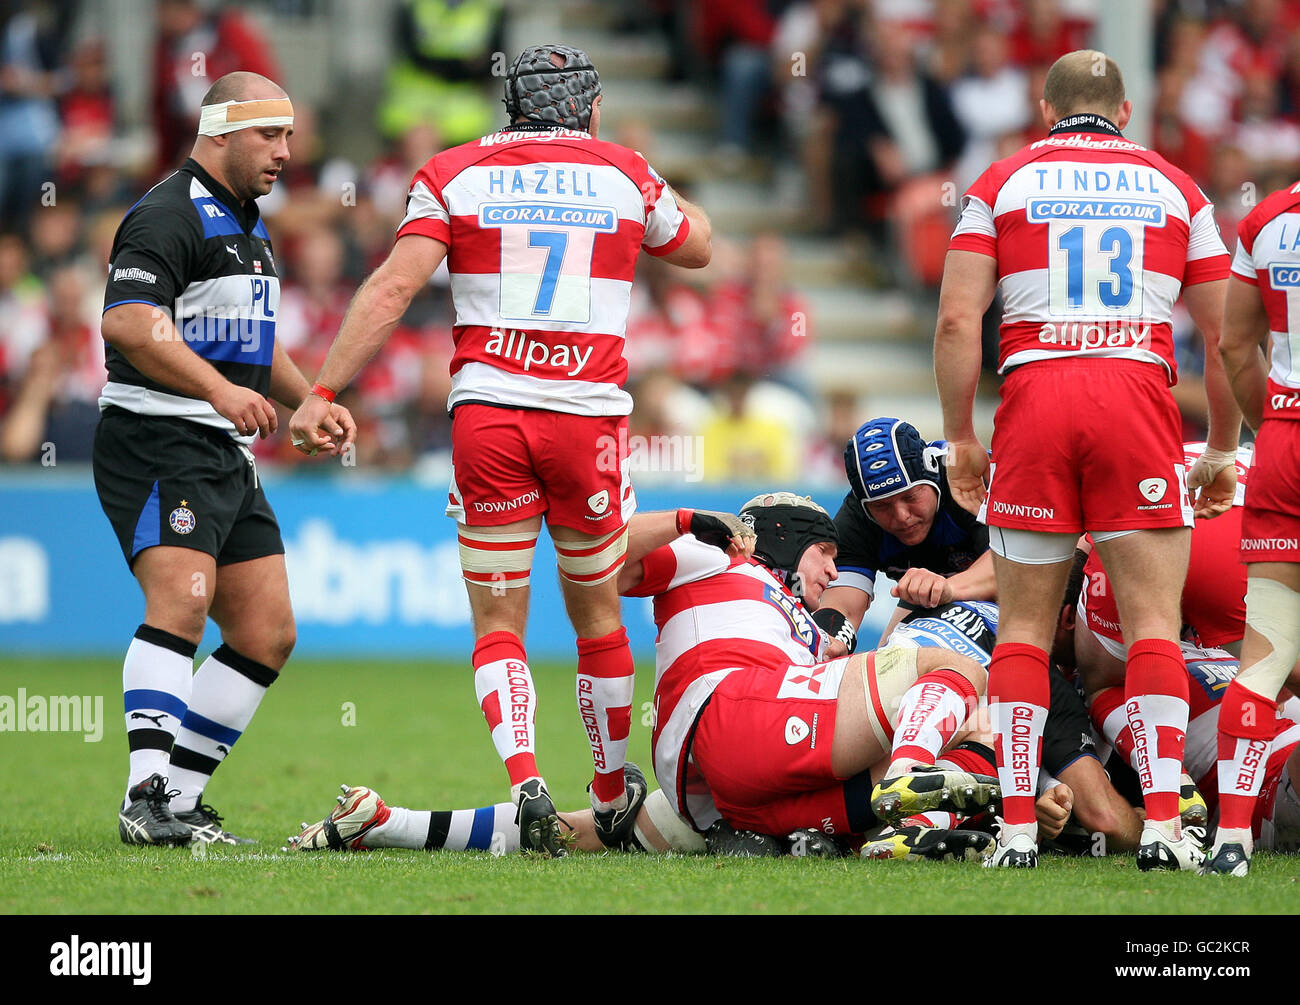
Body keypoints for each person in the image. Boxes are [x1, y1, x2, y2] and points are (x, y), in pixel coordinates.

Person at [288, 44, 712, 856]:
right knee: (596, 612)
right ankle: (609, 784)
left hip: (490, 415)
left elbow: (390, 288)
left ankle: (524, 778)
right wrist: (638, 168)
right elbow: (698, 246)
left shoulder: (453, 172)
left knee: (497, 620)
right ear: (589, 108)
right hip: (587, 419)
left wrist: (324, 390)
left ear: (508, 107)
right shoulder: (624, 170)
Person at [288, 494, 1008, 860]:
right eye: (825, 555)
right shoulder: (726, 559)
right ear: (784, 537)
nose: (831, 577)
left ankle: (386, 823)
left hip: (721, 789)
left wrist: (393, 823)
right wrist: (690, 521)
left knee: (571, 832)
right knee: (950, 667)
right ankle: (912, 789)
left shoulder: (805, 636)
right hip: (730, 711)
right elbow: (603, 557)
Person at [934, 49, 1242, 869]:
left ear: (1044, 110)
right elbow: (1223, 335)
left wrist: (961, 437)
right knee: (1151, 626)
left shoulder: (998, 183)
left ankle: (1016, 830)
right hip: (1136, 392)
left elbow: (959, 322)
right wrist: (1217, 448)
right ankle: (1170, 829)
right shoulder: (1180, 187)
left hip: (1035, 393)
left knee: (1027, 632)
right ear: (1127, 113)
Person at [94, 72, 355, 845]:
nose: (285, 153)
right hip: (157, 436)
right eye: (270, 136)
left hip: (219, 450)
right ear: (222, 132)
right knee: (180, 602)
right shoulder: (167, 212)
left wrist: (311, 397)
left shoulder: (247, 223)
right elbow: (130, 324)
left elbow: (253, 343)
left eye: (289, 136)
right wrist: (215, 391)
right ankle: (142, 795)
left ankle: (177, 799)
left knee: (267, 631)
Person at [1207, 177, 1300, 875]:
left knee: (1262, 659)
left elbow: (1235, 346)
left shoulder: (1268, 218)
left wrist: (1275, 428)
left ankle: (1232, 840)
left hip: (1285, 446)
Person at [817, 417, 994, 655]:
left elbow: (1013, 567)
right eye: (882, 506)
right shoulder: (856, 518)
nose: (901, 516)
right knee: (885, 662)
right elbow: (842, 610)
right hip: (931, 596)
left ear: (932, 477)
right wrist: (828, 646)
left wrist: (946, 588)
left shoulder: (966, 477)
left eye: (911, 497)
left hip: (1014, 585)